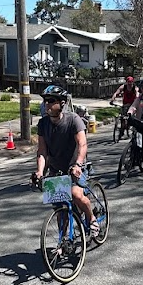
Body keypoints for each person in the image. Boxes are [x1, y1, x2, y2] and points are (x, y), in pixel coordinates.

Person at [34, 85, 96, 233]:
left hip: (75, 167)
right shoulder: (43, 124)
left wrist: (78, 165)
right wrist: (40, 172)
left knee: (76, 194)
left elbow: (82, 144)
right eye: (44, 101)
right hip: (56, 169)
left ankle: (92, 218)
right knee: (60, 207)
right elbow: (42, 151)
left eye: (50, 100)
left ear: (61, 103)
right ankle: (62, 242)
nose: (46, 104)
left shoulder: (73, 120)